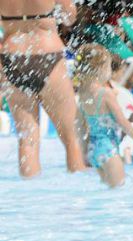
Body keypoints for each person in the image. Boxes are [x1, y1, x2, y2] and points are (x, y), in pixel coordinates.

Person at [0, 0, 87, 177]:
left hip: (11, 56)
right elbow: (69, 18)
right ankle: (81, 200)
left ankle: (30, 197)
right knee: (72, 137)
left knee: (27, 141)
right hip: (48, 54)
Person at [75, 44, 133, 188]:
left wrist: (83, 152)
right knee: (118, 192)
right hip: (109, 150)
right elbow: (122, 121)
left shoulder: (83, 95)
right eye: (109, 67)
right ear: (101, 69)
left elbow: (81, 126)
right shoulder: (106, 94)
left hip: (94, 150)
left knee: (107, 194)